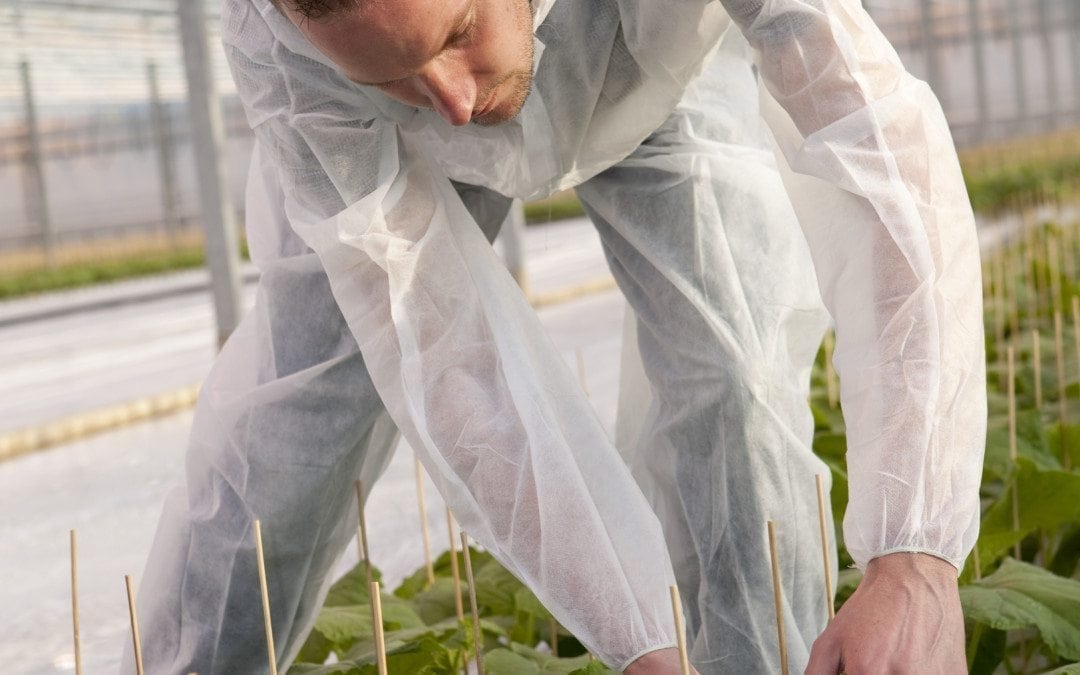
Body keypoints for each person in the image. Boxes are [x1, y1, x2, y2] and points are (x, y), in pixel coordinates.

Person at [127, 0, 986, 672]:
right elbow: (445, 350)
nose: (454, 100)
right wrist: (636, 633)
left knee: (735, 373)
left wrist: (915, 551)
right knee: (288, 444)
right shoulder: (285, 52)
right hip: (397, 158)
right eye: (391, 70)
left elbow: (879, 153)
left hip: (654, 68)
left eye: (458, 32)